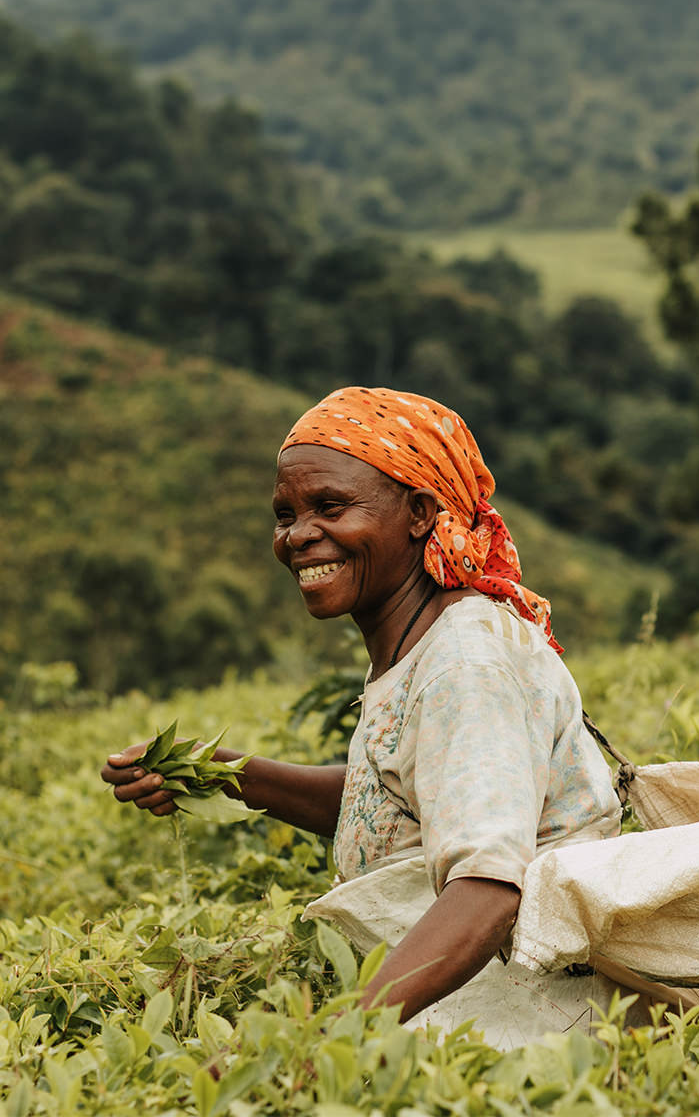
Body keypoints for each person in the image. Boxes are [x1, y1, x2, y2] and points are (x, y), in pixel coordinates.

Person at [102, 386, 622, 1027]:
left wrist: (333, 1037)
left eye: (330, 506)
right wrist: (223, 773)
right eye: (285, 513)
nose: (298, 536)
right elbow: (400, 801)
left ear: (421, 513)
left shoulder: (463, 665)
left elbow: (489, 890)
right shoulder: (424, 642)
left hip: (525, 1021)